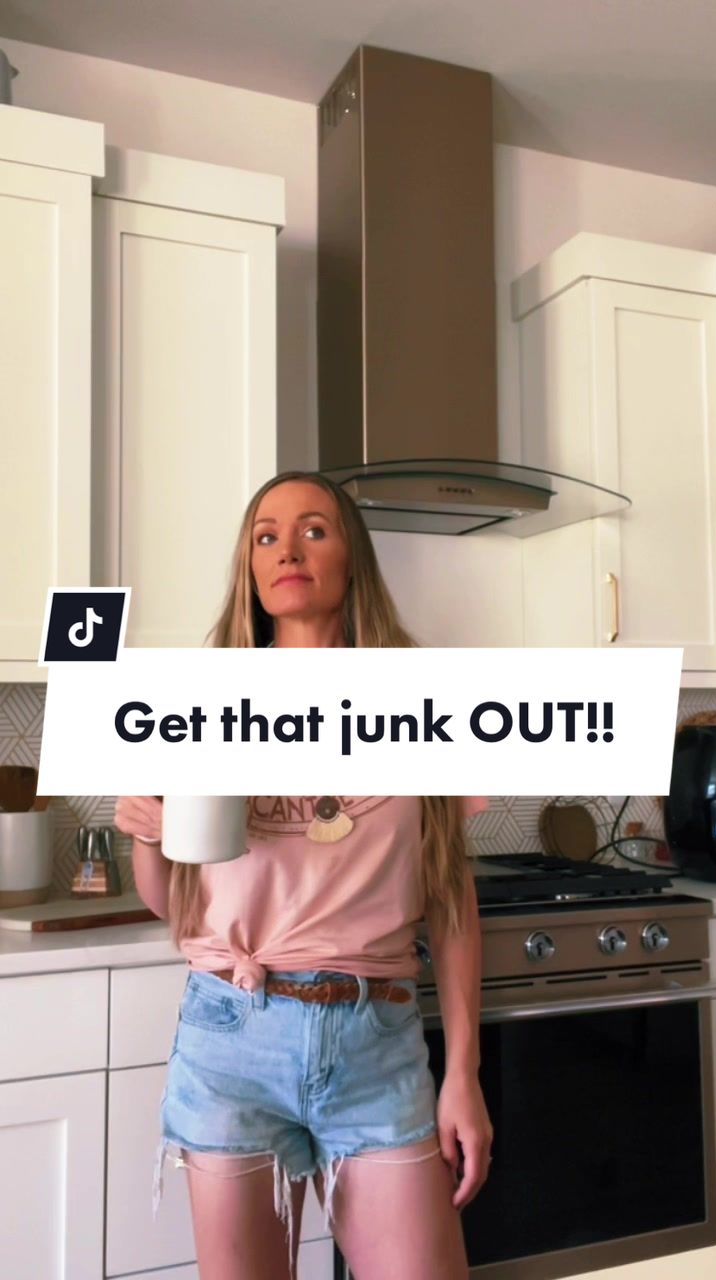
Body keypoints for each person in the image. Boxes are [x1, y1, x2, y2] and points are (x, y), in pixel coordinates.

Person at [115, 470, 493, 1280]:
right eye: (267, 536)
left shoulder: (423, 697)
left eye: (314, 530)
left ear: (353, 557)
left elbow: (450, 900)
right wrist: (149, 834)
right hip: (230, 1035)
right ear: (251, 568)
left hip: (376, 1040)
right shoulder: (203, 699)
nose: (287, 549)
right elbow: (174, 907)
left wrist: (463, 1073)